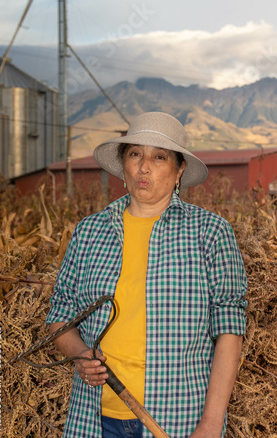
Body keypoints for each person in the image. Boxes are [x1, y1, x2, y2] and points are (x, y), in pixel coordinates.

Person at [46, 111, 247, 438]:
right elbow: (61, 314)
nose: (144, 167)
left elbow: (229, 331)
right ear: (123, 164)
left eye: (159, 157)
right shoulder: (90, 232)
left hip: (176, 419)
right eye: (135, 154)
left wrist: (211, 424)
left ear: (179, 169)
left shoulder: (210, 233)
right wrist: (79, 354)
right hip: (95, 419)